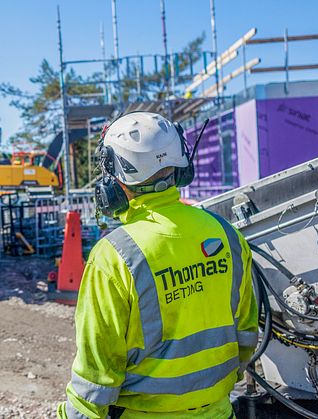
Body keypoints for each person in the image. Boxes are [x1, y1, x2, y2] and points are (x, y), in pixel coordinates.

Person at [57, 112, 258, 418]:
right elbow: (245, 334)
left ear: (118, 177)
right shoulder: (226, 235)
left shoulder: (114, 256)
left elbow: (96, 375)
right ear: (181, 167)